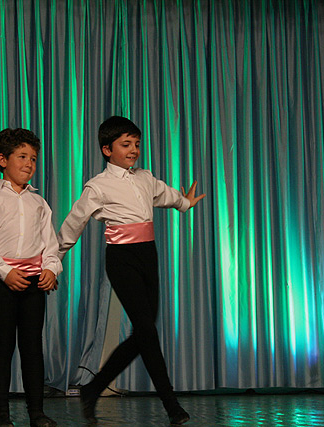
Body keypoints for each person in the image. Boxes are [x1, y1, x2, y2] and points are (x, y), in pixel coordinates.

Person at [58, 116, 205, 425]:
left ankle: (93, 388)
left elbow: (165, 194)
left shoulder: (145, 177)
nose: (134, 150)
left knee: (143, 332)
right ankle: (171, 405)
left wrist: (184, 203)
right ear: (107, 149)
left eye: (136, 144)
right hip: (121, 259)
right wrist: (53, 259)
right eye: (126, 144)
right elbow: (74, 221)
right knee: (147, 332)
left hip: (148, 256)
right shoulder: (98, 186)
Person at [0, 128, 62, 427]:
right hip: (2, 283)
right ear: (3, 160)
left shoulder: (39, 203)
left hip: (33, 283)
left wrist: (51, 268)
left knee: (32, 348)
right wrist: (4, 272)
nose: (29, 164)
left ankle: (37, 412)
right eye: (22, 157)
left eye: (33, 159)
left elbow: (49, 243)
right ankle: (1, 414)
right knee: (2, 347)